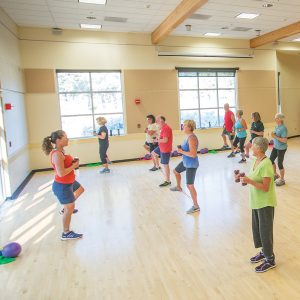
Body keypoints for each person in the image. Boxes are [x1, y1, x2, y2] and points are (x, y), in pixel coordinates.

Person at [238, 137, 276, 273]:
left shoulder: (266, 164)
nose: (250, 146)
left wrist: (249, 181)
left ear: (259, 148)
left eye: (252, 145)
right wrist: (243, 179)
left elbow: (265, 187)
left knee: (265, 231)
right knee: (258, 229)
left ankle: (270, 259)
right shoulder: (255, 160)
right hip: (256, 201)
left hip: (265, 203)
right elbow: (252, 177)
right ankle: (264, 251)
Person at [42, 130, 84, 241]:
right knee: (70, 207)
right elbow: (60, 173)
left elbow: (64, 167)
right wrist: (74, 165)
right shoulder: (56, 154)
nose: (68, 139)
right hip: (62, 185)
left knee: (79, 192)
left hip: (68, 182)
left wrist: (72, 163)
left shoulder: (61, 152)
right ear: (58, 140)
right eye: (65, 137)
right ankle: (66, 233)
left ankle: (66, 208)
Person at [170, 120, 200, 214]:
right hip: (185, 162)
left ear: (190, 127)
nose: (183, 126)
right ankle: (178, 187)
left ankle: (196, 206)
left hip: (191, 164)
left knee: (190, 185)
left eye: (185, 125)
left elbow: (193, 154)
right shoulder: (187, 137)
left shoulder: (192, 138)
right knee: (175, 171)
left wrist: (181, 151)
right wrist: (181, 149)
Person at [151, 115, 173, 187]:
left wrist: (157, 140)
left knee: (165, 165)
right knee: (153, 153)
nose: (156, 121)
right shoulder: (162, 128)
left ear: (161, 121)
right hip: (161, 147)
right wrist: (157, 139)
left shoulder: (166, 128)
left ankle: (168, 181)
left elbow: (165, 140)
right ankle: (157, 166)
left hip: (165, 149)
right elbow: (162, 138)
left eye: (157, 120)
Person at [270, 113, 288, 186]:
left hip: (281, 148)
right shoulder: (277, 126)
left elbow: (285, 140)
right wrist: (273, 135)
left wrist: (275, 136)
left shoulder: (283, 128)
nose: (275, 119)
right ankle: (275, 174)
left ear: (280, 119)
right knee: (270, 160)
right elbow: (276, 134)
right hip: (275, 147)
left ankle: (282, 180)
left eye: (276, 118)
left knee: (280, 163)